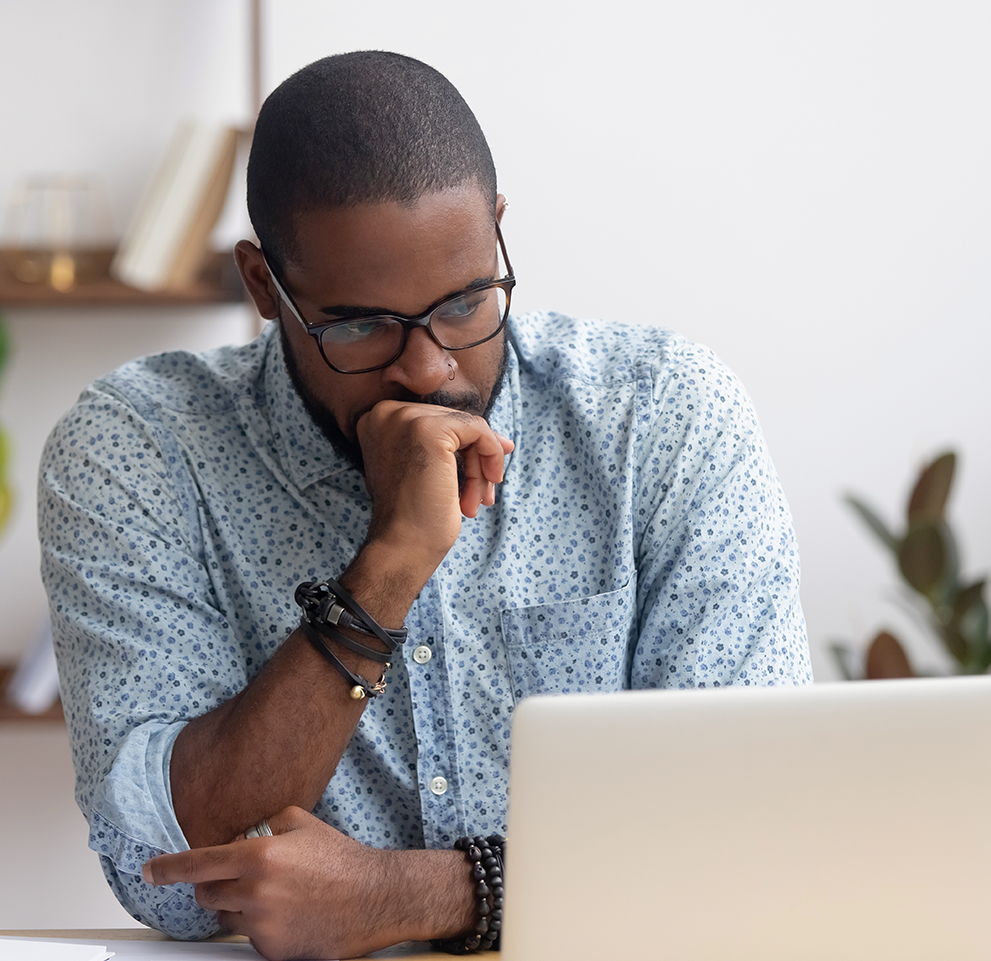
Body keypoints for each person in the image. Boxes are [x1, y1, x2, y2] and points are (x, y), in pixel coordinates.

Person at [38, 50, 812, 960]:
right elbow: (165, 873)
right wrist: (389, 565)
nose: (428, 367)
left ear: (496, 232)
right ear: (262, 287)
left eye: (463, 303)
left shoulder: (662, 416)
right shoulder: (143, 445)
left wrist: (406, 895)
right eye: (360, 324)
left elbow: (752, 824)